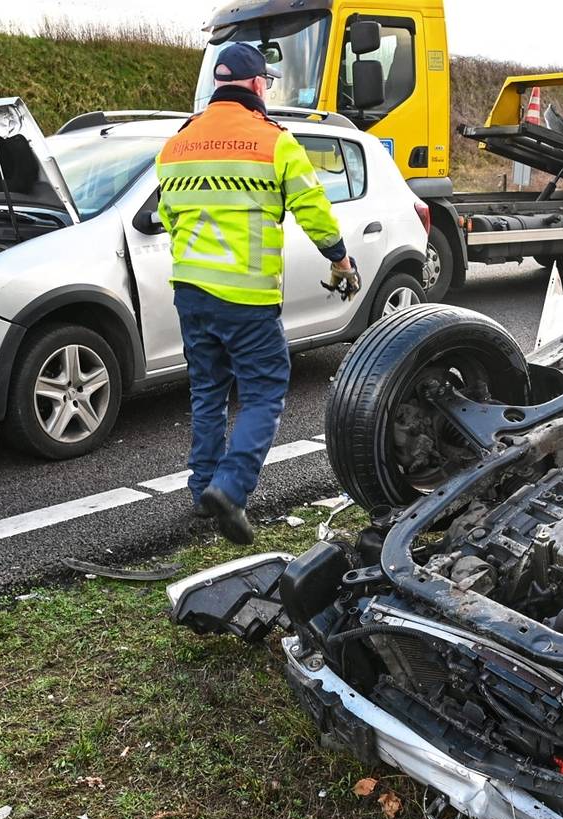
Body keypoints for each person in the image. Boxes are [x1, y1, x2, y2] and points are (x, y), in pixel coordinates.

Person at [156, 43, 360, 545]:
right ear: (255, 84)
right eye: (265, 81)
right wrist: (340, 258)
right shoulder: (274, 142)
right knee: (264, 390)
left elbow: (168, 215)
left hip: (190, 290)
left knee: (207, 390)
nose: (265, 88)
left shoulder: (176, 144)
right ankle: (230, 488)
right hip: (246, 295)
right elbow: (313, 208)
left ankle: (202, 490)